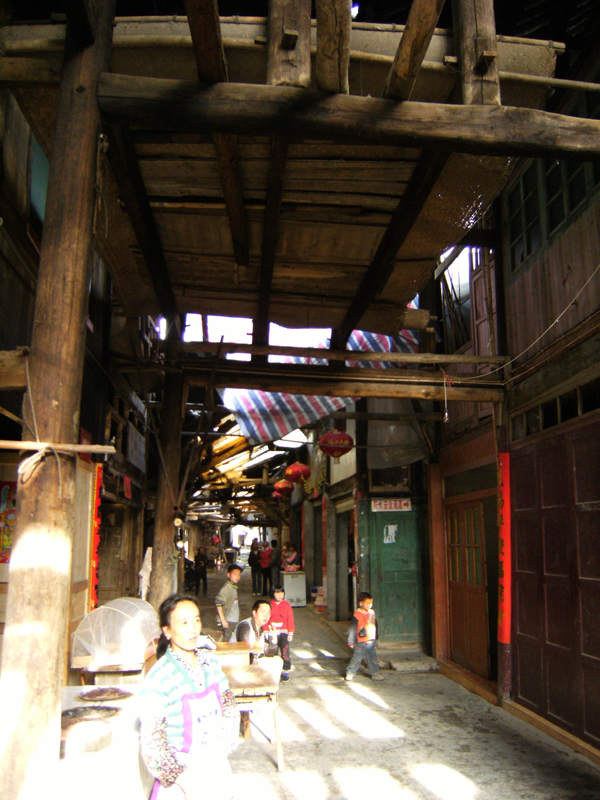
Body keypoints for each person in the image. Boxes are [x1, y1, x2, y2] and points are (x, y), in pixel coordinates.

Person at [138, 593, 239, 800]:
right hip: (181, 781)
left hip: (216, 767)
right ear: (167, 631)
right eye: (184, 623)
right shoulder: (159, 677)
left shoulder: (210, 662)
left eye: (197, 620)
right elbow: (152, 741)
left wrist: (222, 749)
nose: (193, 629)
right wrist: (184, 781)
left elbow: (229, 705)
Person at [345, 591, 383, 682]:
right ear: (361, 603)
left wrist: (376, 635)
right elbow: (353, 628)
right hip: (360, 642)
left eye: (371, 603)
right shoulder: (357, 614)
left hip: (371, 641)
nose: (370, 605)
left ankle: (375, 673)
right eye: (367, 603)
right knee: (356, 658)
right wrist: (351, 641)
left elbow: (375, 624)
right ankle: (350, 673)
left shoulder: (372, 613)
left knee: (372, 659)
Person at [267, 585, 294, 682]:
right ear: (273, 593)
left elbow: (290, 619)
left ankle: (285, 671)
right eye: (277, 593)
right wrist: (266, 630)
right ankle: (273, 671)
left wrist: (290, 633)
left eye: (281, 593)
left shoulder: (287, 605)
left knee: (285, 652)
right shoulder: (270, 605)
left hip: (284, 633)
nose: (279, 595)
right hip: (273, 632)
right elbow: (266, 618)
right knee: (273, 652)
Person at [215, 563, 242, 641]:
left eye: (239, 575)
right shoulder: (227, 588)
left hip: (233, 620)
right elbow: (218, 603)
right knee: (228, 642)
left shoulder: (233, 587)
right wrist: (223, 620)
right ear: (228, 574)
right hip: (229, 620)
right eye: (235, 574)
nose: (237, 577)